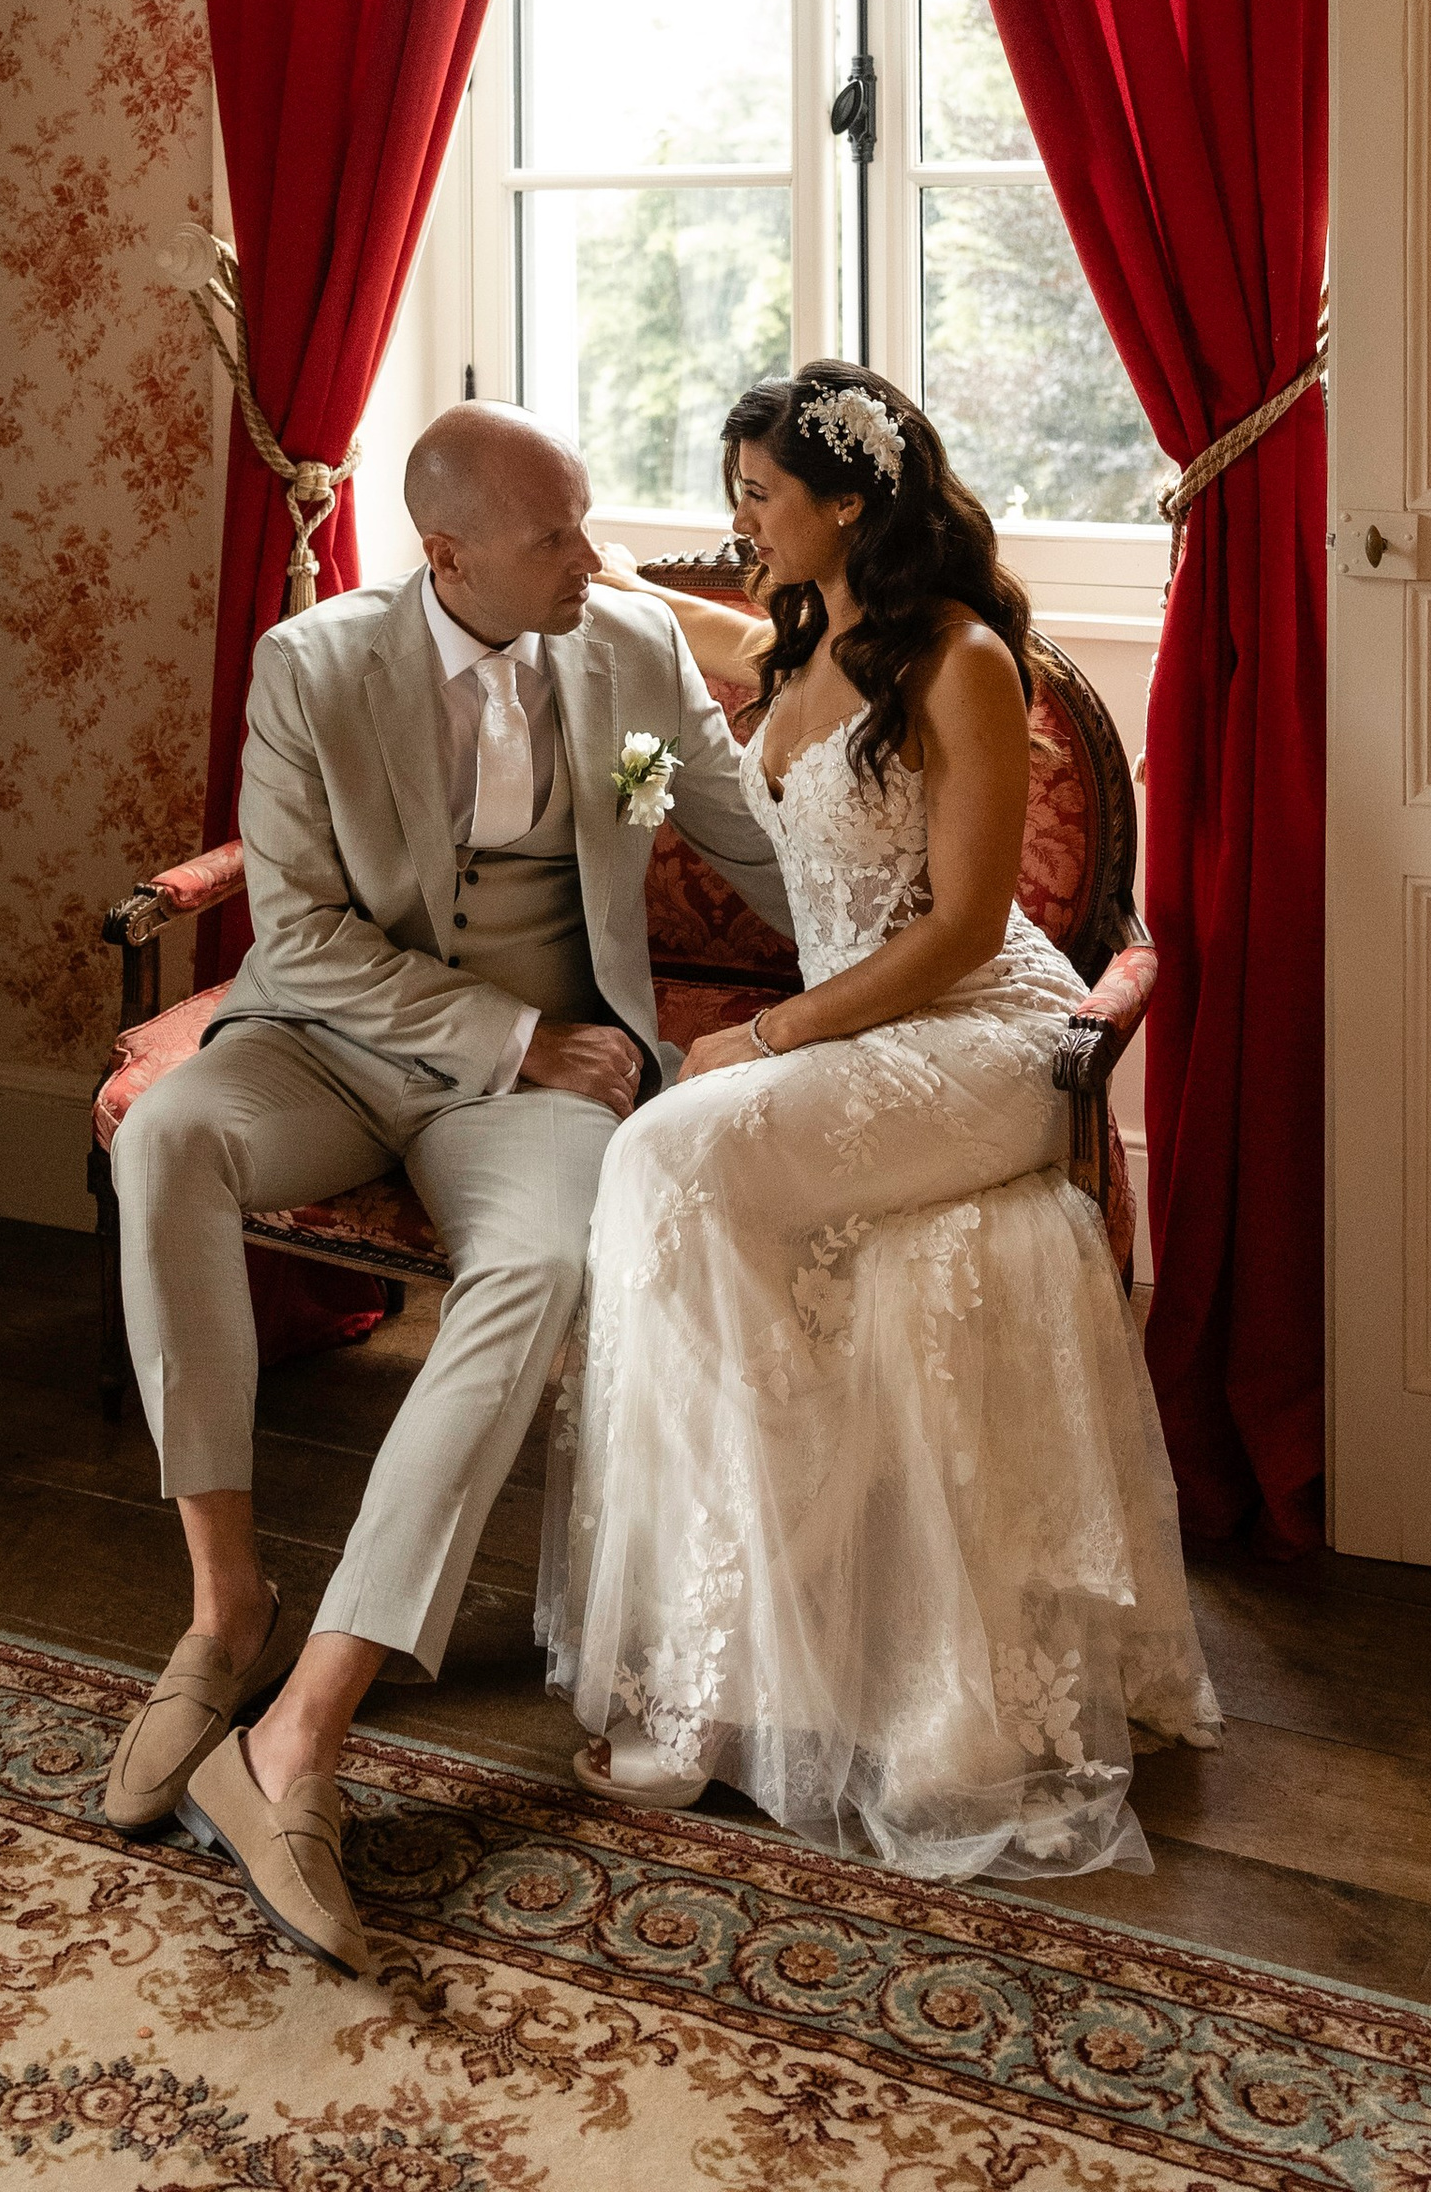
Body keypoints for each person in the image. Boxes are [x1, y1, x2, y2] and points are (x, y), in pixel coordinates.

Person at [103, 401, 788, 1978]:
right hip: (336, 1049)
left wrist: (937, 955)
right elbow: (309, 936)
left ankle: (307, 1724)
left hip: (547, 1084)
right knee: (167, 1137)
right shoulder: (312, 666)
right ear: (447, 552)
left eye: (591, 520)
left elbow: (751, 847)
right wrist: (508, 1034)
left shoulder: (628, 652)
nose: (594, 557)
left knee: (545, 1267)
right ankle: (225, 1614)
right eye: (557, 535)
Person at [541, 361, 1220, 1880]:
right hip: (866, 1039)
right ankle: (763, 1647)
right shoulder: (814, 634)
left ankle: (728, 1669)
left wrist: (764, 1033)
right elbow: (718, 630)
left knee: (667, 1146)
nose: (739, 524)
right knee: (670, 1178)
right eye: (732, 496)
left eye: (763, 497)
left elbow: (971, 929)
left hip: (979, 1039)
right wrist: (606, 579)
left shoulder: (965, 660)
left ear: (851, 503)